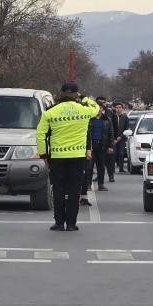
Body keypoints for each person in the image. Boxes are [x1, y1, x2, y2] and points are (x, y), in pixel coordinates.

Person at [35, 82, 101, 231]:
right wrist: (83, 98)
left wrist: (43, 154)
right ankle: (71, 223)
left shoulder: (50, 112)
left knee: (57, 188)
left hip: (57, 156)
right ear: (76, 94)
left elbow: (40, 135)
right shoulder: (84, 110)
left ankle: (59, 223)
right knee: (74, 189)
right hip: (77, 156)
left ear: (61, 93)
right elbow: (96, 107)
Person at [112, 102, 131, 174]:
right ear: (115, 108)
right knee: (113, 154)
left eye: (120, 107)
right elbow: (111, 128)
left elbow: (127, 128)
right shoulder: (112, 117)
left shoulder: (125, 117)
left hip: (122, 138)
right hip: (113, 139)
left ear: (122, 109)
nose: (118, 109)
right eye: (117, 108)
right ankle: (112, 169)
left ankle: (121, 168)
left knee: (121, 153)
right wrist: (114, 138)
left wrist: (121, 137)